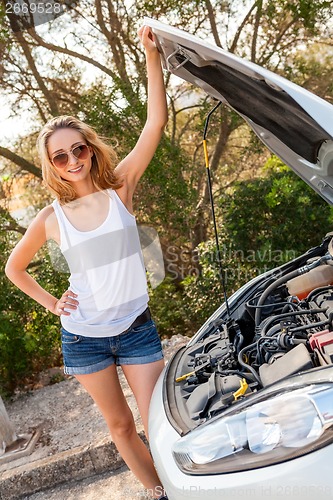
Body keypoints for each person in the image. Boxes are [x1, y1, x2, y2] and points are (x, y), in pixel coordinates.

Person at [5, 25, 168, 500]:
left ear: (90, 148)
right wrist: (54, 303)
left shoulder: (121, 190)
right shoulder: (51, 218)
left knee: (156, 421)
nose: (72, 159)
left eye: (79, 148)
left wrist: (151, 57)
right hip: (84, 338)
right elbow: (14, 269)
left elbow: (154, 124)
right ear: (51, 165)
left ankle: (185, 485)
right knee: (120, 427)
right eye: (61, 155)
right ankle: (160, 493)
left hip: (136, 328)